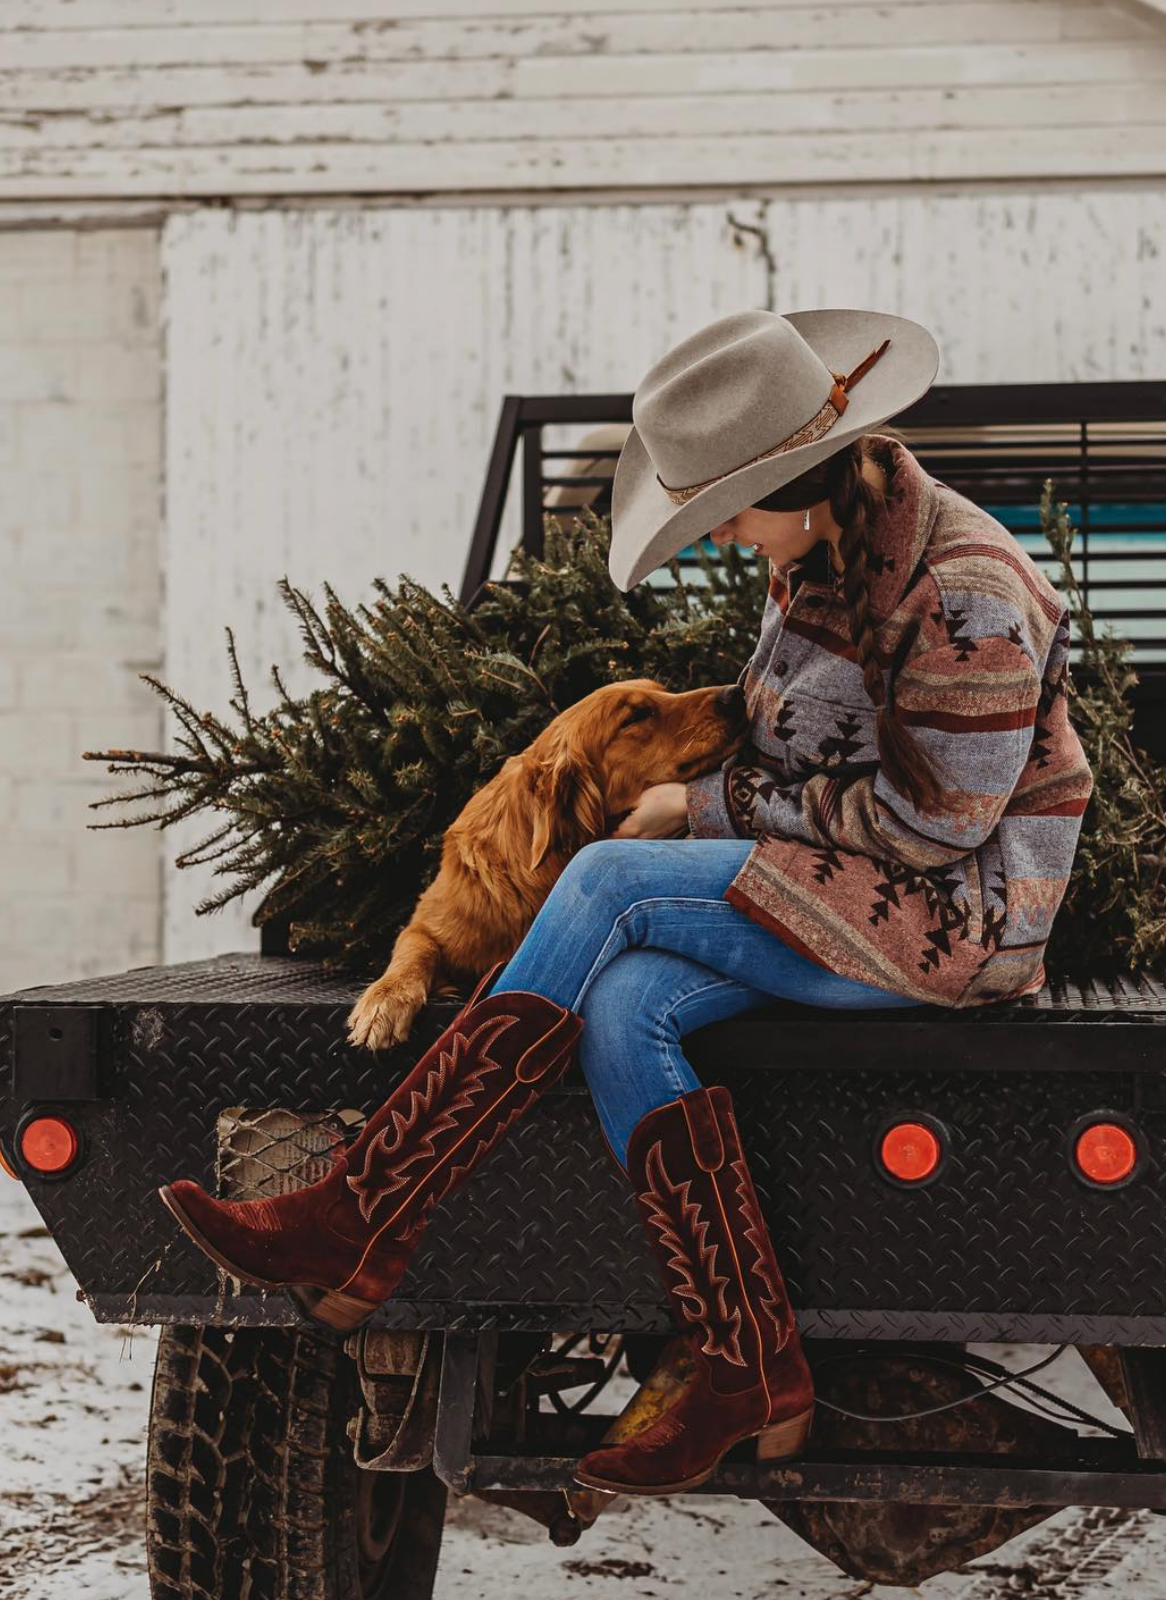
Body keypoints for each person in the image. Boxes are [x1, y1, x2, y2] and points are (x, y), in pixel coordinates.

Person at [159, 308, 1094, 1499]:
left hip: (952, 922)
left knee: (604, 878)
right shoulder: (816, 554)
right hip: (836, 894)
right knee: (631, 1003)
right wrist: (719, 795)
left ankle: (366, 1210)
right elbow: (793, 747)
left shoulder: (969, 596)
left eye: (727, 512)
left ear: (797, 481)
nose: (724, 539)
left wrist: (704, 811)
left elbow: (940, 827)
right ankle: (750, 1361)